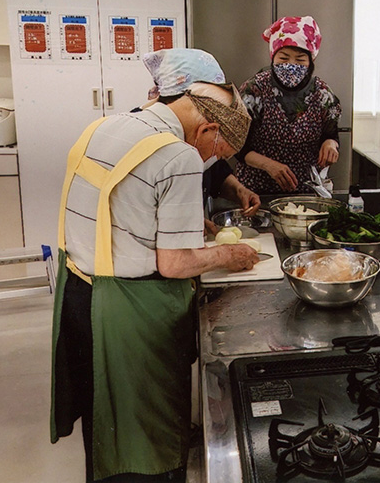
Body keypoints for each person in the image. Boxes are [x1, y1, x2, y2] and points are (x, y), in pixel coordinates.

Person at [51, 48, 258, 482]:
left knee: (105, 422)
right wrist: (227, 254)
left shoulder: (106, 125)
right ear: (208, 127)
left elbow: (123, 208)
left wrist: (175, 221)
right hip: (131, 314)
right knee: (146, 437)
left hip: (81, 298)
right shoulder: (178, 154)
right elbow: (175, 264)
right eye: (215, 152)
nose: (207, 162)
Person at [137, 56, 261, 233]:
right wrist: (177, 223)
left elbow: (214, 169)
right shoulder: (147, 136)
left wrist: (238, 190)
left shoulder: (196, 133)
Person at [235, 15, 342, 194]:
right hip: (256, 190)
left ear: (310, 62)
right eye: (283, 59)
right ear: (273, 58)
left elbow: (330, 133)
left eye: (300, 60)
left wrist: (330, 144)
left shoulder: (322, 93)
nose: (291, 66)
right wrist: (269, 165)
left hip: (305, 190)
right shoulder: (255, 89)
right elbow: (236, 145)